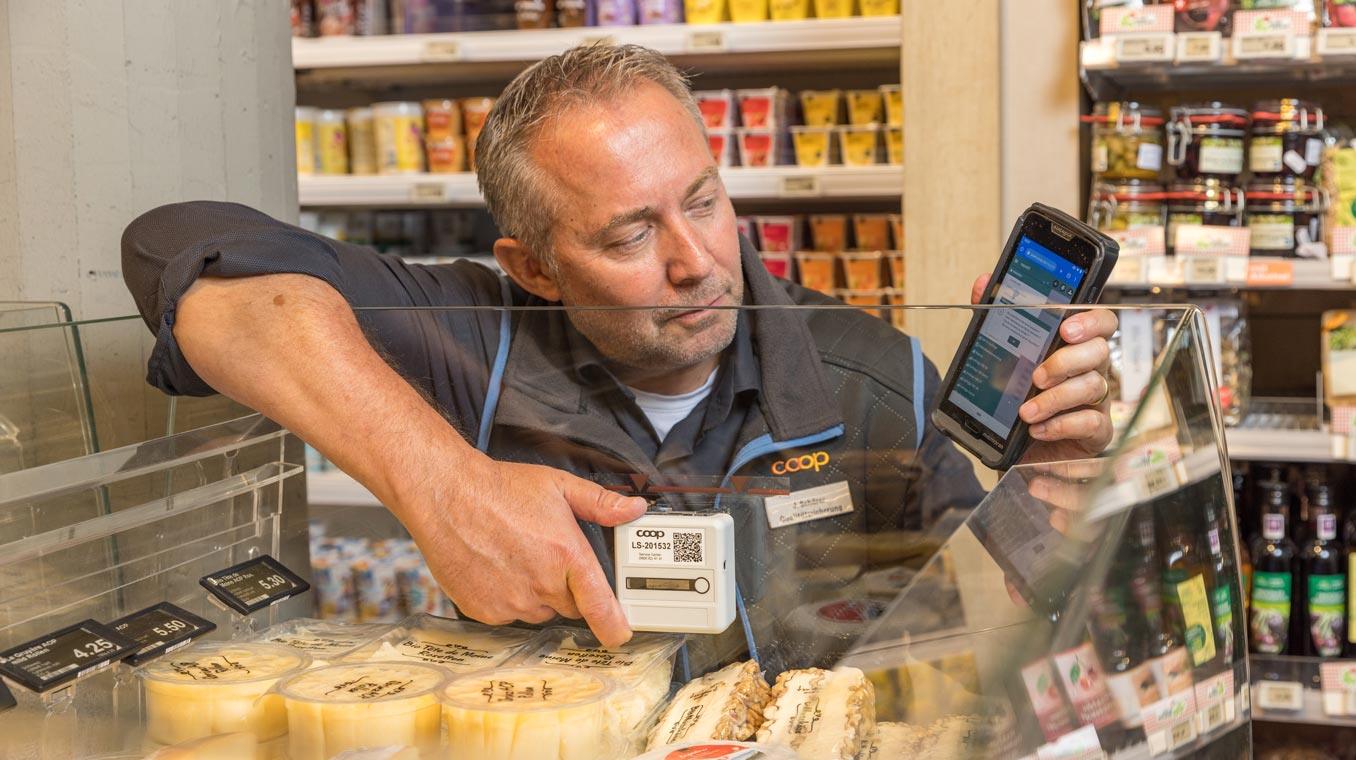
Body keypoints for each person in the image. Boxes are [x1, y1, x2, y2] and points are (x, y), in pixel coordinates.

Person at [121, 44, 1115, 674]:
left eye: (703, 199)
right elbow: (177, 252)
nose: (697, 263)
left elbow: (993, 640)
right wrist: (444, 480)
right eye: (630, 236)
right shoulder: (474, 332)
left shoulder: (870, 375)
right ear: (534, 266)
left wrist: (1053, 480)